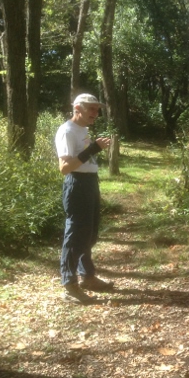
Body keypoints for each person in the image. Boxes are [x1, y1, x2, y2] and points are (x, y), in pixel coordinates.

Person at [55, 93, 114, 305]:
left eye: (97, 109)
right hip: (77, 185)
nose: (95, 113)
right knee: (76, 235)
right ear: (77, 108)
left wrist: (93, 149)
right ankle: (69, 285)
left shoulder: (82, 129)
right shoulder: (67, 131)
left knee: (89, 233)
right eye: (91, 109)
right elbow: (64, 168)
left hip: (89, 183)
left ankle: (87, 277)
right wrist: (93, 148)